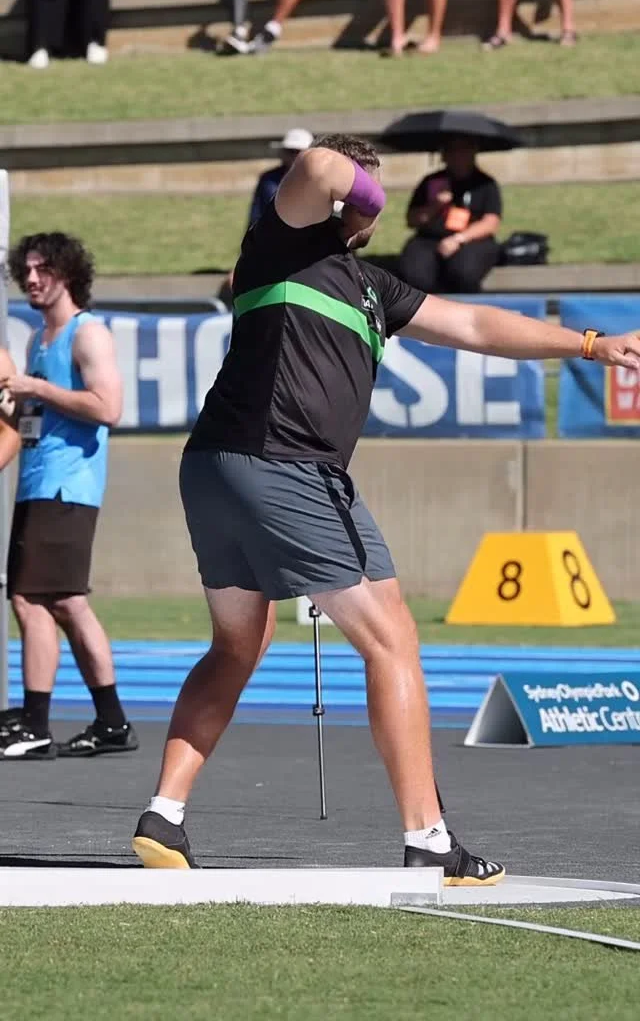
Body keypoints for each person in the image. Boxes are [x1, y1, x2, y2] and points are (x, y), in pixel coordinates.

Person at [131, 133, 640, 875]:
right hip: (287, 465)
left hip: (222, 468)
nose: (369, 206)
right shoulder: (286, 241)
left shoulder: (372, 286)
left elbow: (475, 326)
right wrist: (359, 194)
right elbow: (316, 167)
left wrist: (591, 345)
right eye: (365, 194)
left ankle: (164, 815)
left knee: (240, 645)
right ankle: (429, 839)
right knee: (392, 639)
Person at [0, 232, 138, 762]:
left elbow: (108, 408)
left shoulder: (88, 334)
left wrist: (37, 389)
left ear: (69, 273)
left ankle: (36, 724)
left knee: (32, 599)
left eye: (44, 270)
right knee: (63, 602)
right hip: (39, 481)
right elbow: (33, 416)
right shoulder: (40, 339)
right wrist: (16, 400)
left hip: (67, 484)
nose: (32, 279)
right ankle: (110, 720)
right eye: (27, 270)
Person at [397, 136, 502, 293]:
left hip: (470, 240)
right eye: (451, 150)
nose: (457, 155)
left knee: (464, 271)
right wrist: (436, 205)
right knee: (415, 273)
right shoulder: (431, 181)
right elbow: (412, 220)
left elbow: (490, 223)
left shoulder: (485, 184)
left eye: (463, 149)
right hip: (429, 239)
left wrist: (459, 239)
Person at [248, 127, 313, 228]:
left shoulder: (317, 180)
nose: (294, 156)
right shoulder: (269, 179)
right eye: (290, 151)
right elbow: (257, 215)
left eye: (298, 152)